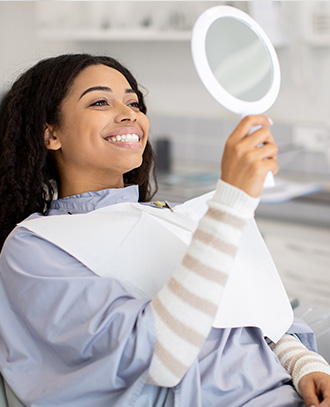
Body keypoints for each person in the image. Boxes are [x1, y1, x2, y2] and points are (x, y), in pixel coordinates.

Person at [0, 53, 329, 407]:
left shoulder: (166, 217)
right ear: (50, 134)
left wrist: (303, 363)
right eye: (99, 101)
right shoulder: (35, 247)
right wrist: (230, 204)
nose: (129, 114)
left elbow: (256, 312)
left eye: (133, 102)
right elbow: (159, 357)